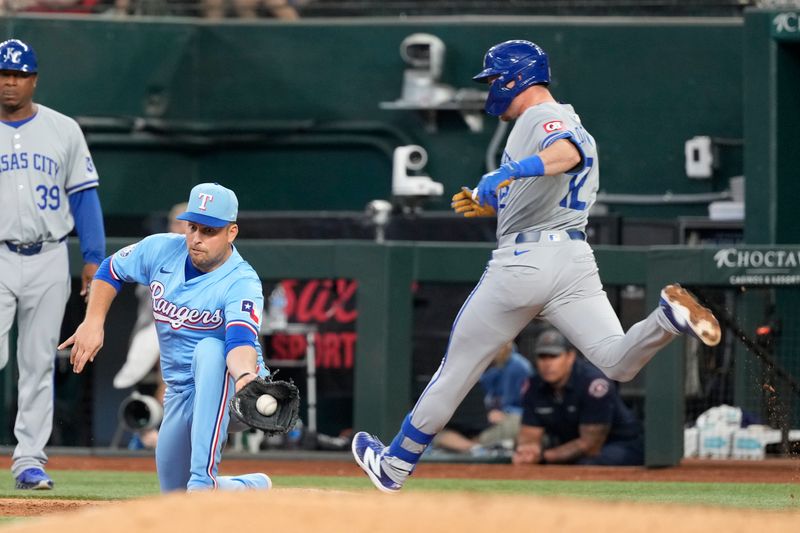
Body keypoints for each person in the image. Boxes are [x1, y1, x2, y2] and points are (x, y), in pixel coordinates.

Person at [352, 39, 721, 493]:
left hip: (524, 262)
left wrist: (507, 173)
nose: (490, 89)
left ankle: (395, 466)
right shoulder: (572, 120)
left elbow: (566, 154)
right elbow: (553, 180)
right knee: (617, 361)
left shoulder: (540, 116)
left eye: (492, 79)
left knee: (458, 368)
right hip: (572, 258)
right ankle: (667, 319)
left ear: (514, 78)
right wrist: (496, 204)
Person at [60, 183, 272, 492]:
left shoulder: (242, 280)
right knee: (174, 495)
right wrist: (93, 322)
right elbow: (111, 269)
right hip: (180, 392)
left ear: (231, 232)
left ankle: (203, 481)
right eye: (193, 227)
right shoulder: (162, 249)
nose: (197, 238)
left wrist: (244, 377)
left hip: (236, 389)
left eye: (209, 230)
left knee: (210, 349)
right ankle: (250, 489)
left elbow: (239, 341)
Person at [0, 39, 105, 490]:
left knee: (39, 362)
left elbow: (84, 196)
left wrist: (94, 257)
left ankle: (28, 460)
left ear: (34, 79)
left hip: (48, 255)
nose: (10, 82)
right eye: (4, 73)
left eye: (19, 75)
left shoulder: (63, 129)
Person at [113, 202, 188, 450]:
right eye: (174, 222)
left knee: (172, 375)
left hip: (188, 332)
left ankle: (159, 428)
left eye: (183, 222)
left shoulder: (204, 255)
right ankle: (144, 425)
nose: (178, 228)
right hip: (152, 328)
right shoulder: (158, 250)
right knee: (132, 374)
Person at [513, 328, 644, 466]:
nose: (547, 363)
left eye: (554, 356)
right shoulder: (534, 385)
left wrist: (543, 457)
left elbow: (590, 446)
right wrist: (526, 453)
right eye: (542, 357)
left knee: (585, 464)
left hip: (621, 444)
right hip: (572, 446)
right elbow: (529, 437)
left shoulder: (593, 383)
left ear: (570, 357)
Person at [433, 341, 532, 454]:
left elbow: (529, 408)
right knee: (438, 433)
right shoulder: (481, 365)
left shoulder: (518, 366)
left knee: (516, 422)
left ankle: (477, 447)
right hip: (480, 422)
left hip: (506, 420)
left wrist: (504, 412)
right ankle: (477, 448)